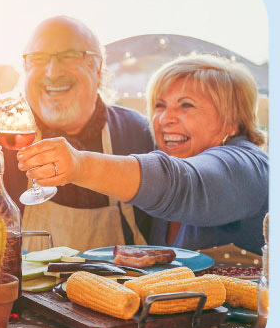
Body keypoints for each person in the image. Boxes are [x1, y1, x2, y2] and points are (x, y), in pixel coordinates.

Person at [16, 54, 268, 253]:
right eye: (160, 105)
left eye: (186, 105)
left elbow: (181, 183)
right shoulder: (168, 154)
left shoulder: (248, 166)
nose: (165, 118)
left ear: (232, 121)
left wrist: (79, 164)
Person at [0, 16, 155, 252]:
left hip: (118, 286)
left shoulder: (137, 131)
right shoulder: (8, 129)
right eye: (39, 59)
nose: (52, 73)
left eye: (69, 56)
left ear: (98, 67)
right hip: (27, 288)